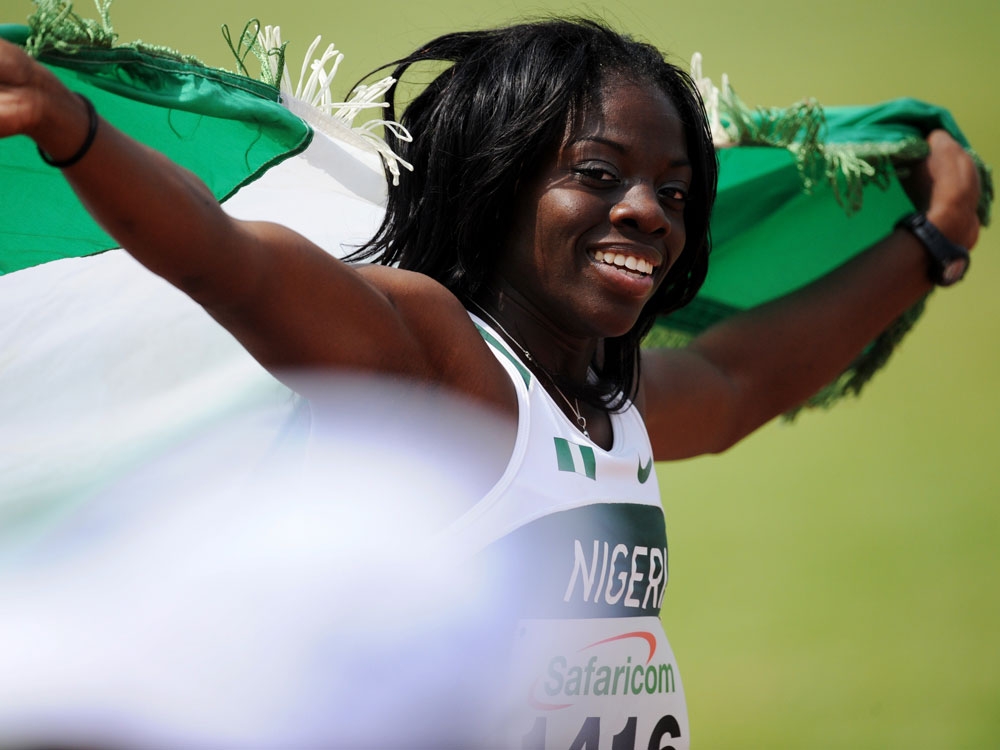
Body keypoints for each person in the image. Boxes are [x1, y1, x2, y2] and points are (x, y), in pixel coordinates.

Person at [0, 17, 982, 749]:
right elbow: (229, 262)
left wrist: (930, 243)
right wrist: (71, 126)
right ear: (497, 181)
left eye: (672, 192)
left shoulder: (605, 402)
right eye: (597, 174)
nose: (646, 211)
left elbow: (735, 381)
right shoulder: (439, 356)